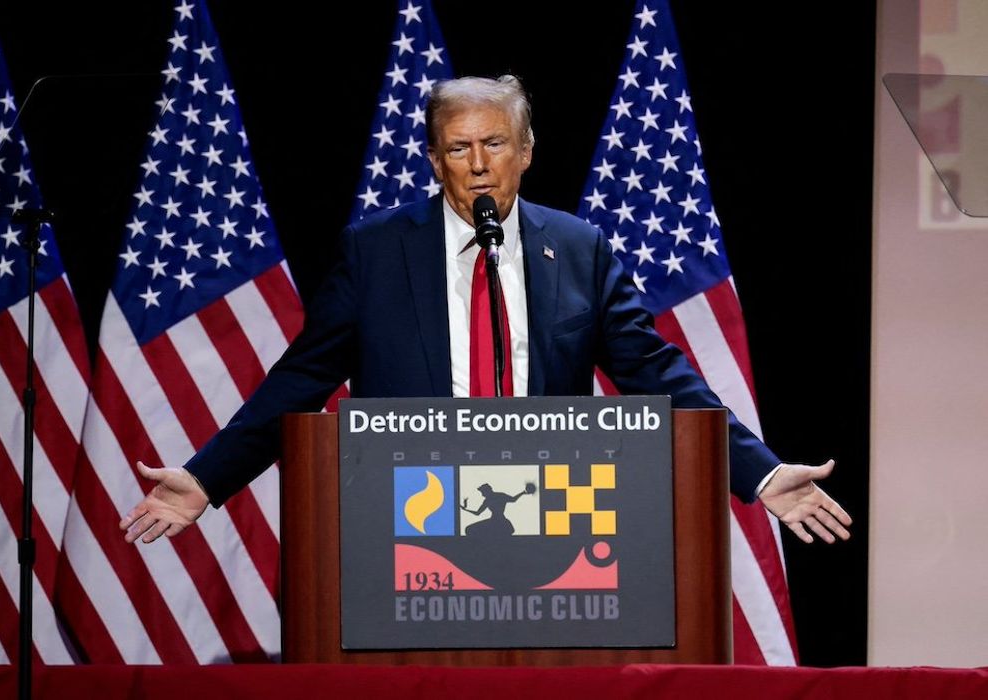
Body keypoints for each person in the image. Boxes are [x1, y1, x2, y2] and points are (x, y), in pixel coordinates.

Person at [121, 75, 852, 547]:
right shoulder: (375, 252)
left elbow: (655, 372)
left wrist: (760, 473)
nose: (477, 165)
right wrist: (208, 477)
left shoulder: (578, 249)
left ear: (525, 151)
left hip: (552, 512)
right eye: (458, 148)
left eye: (494, 144)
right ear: (434, 159)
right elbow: (301, 378)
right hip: (413, 511)